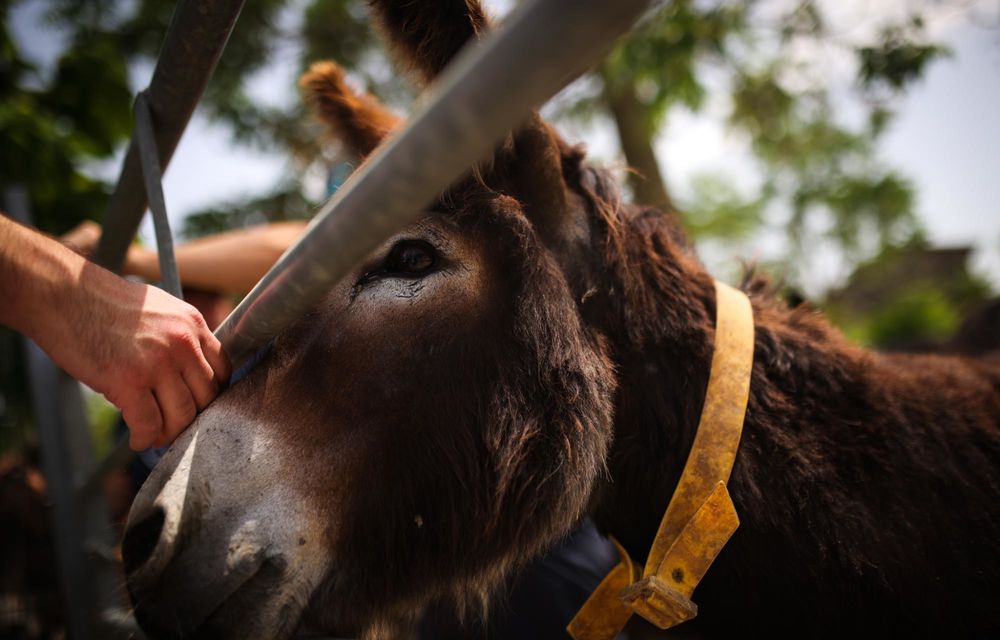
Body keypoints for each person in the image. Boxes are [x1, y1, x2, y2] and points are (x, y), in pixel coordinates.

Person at [0, 214, 231, 451]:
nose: (191, 318)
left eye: (205, 298)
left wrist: (129, 260)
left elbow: (272, 252)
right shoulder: (140, 409)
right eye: (181, 297)